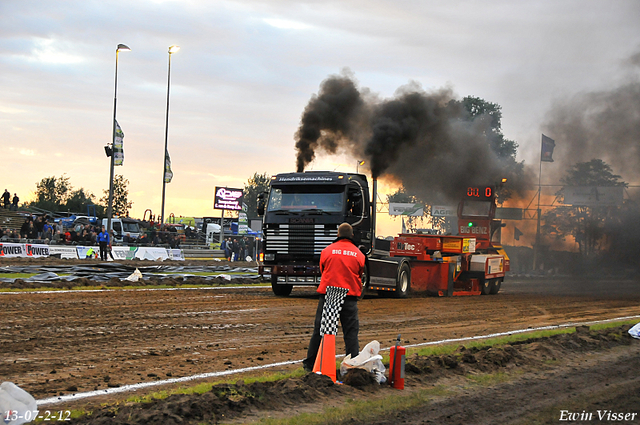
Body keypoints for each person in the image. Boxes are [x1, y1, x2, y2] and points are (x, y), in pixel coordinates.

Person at [302, 222, 365, 372]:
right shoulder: (358, 254)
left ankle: (310, 364)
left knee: (321, 330)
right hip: (349, 297)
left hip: (329, 295)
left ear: (337, 234)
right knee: (351, 333)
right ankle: (352, 365)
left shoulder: (327, 251)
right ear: (352, 236)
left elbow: (323, 270)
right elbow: (359, 273)